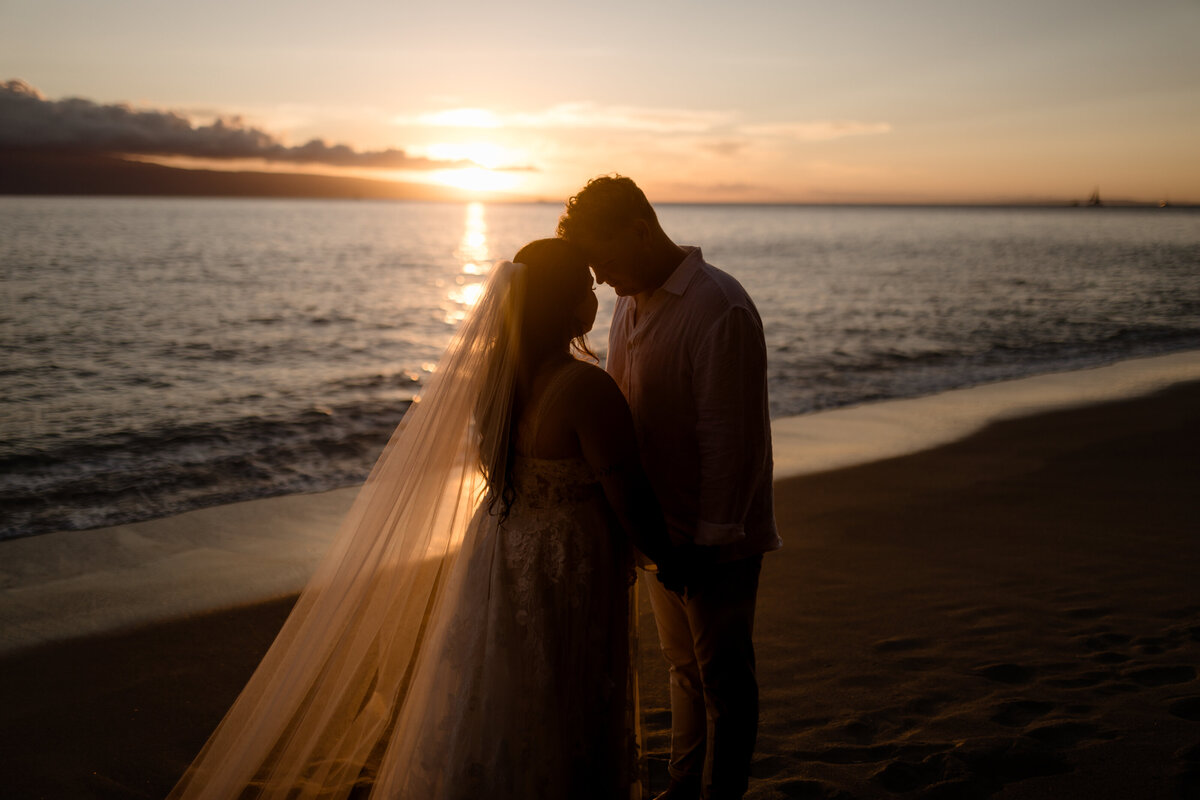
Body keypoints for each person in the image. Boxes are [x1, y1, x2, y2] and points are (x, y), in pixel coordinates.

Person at [168, 238, 673, 800]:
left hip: (500, 549)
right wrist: (672, 561)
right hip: (565, 563)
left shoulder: (498, 381)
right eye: (585, 284)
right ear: (565, 302)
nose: (596, 293)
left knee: (499, 694)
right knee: (566, 697)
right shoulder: (585, 387)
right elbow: (627, 494)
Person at [558, 176, 781, 800]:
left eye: (602, 258)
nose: (598, 279)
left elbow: (728, 439)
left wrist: (711, 540)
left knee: (726, 679)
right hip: (662, 529)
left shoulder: (719, 306)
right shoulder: (631, 302)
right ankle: (684, 786)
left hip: (720, 535)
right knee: (682, 669)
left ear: (638, 228)